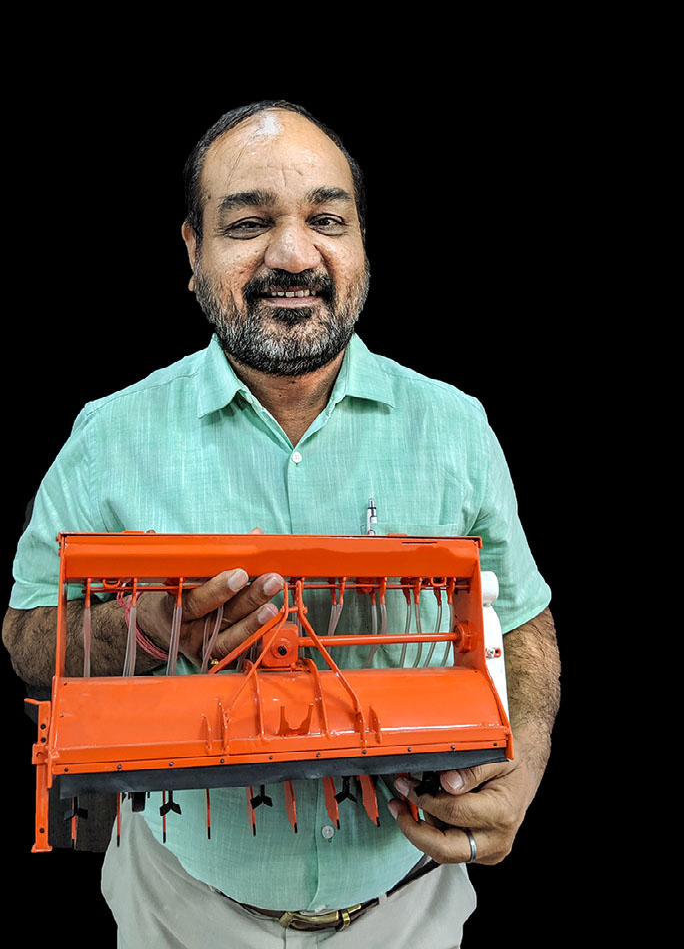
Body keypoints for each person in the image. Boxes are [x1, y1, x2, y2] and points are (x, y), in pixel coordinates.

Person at [3, 100, 561, 947]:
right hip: (179, 909)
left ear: (363, 246)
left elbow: (520, 619)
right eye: (250, 222)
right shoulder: (106, 439)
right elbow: (26, 642)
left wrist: (526, 757)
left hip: (409, 906)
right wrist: (147, 626)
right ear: (192, 252)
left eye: (327, 219)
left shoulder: (455, 427)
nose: (294, 254)